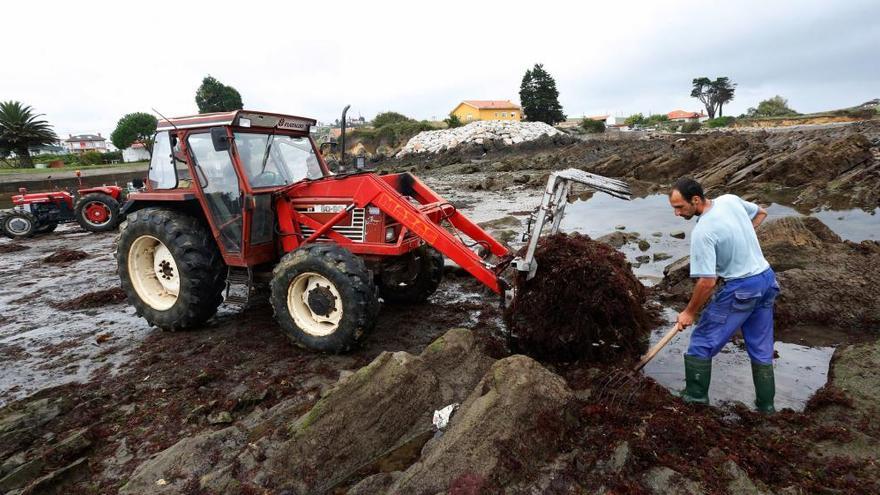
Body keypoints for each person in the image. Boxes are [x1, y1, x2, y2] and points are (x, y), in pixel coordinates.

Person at [668, 178, 779, 413]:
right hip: (767, 280)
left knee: (700, 342)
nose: (677, 214)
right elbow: (761, 213)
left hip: (741, 288)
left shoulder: (703, 231)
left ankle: (694, 400)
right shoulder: (730, 200)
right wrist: (736, 242)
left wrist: (689, 312)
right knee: (761, 347)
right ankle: (766, 408)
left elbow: (707, 282)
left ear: (695, 200)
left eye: (679, 207)